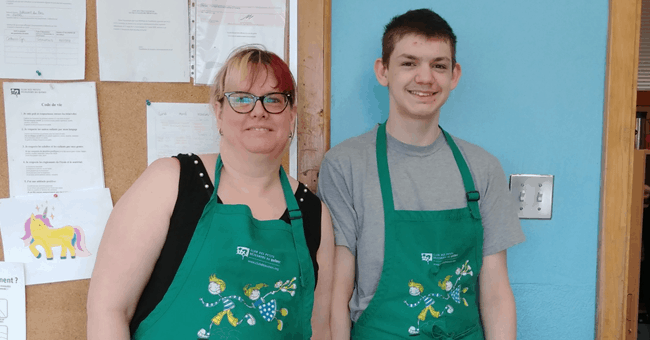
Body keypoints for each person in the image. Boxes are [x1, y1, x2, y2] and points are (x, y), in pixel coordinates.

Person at [87, 46, 334, 340]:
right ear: (218, 111)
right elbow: (108, 309)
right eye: (242, 99)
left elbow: (318, 328)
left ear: (292, 115)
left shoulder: (313, 215)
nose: (259, 110)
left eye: (274, 99)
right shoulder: (171, 182)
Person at [317, 9, 525, 339]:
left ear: (454, 75)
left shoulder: (482, 168)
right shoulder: (346, 164)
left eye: (438, 65)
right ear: (383, 71)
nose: (425, 77)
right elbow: (336, 295)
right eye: (409, 63)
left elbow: (497, 294)